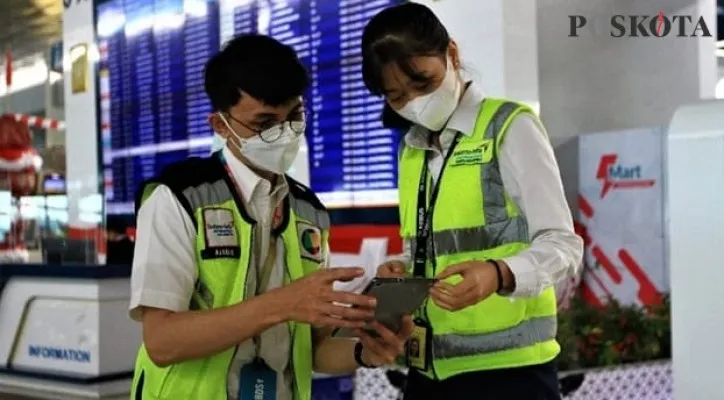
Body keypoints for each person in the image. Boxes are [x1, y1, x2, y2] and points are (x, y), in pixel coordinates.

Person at [129, 34, 412, 400]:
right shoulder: (179, 198)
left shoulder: (308, 212)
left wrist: (364, 352)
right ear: (220, 125)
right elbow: (162, 341)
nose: (284, 133)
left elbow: (313, 349)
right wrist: (281, 304)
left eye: (294, 116)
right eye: (264, 122)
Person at [361, 4, 584, 399]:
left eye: (423, 84)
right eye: (395, 96)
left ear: (452, 54)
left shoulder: (509, 127)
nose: (413, 102)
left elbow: (563, 245)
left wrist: (499, 273)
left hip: (510, 373)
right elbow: (434, 241)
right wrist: (403, 272)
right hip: (428, 368)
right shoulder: (411, 151)